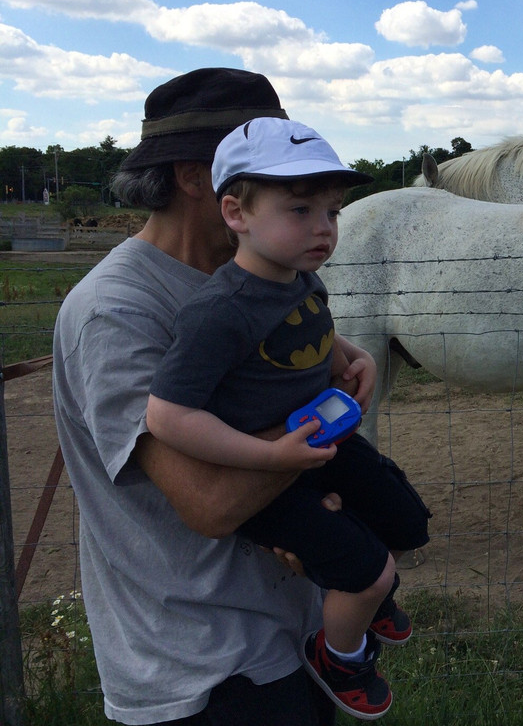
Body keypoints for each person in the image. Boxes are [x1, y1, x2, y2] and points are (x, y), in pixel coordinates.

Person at [52, 68, 401, 726]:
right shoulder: (117, 312)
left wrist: (325, 355)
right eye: (282, 184)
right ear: (197, 178)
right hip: (203, 671)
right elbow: (210, 502)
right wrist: (320, 418)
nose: (304, 205)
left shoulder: (247, 280)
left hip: (280, 635)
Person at [145, 117, 430, 720]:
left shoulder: (301, 278)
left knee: (407, 521)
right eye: (300, 210)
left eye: (332, 212)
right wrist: (272, 458)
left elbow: (308, 331)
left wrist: (346, 357)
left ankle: (366, 605)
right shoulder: (219, 310)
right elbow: (168, 416)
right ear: (236, 212)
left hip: (315, 442)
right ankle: (340, 657)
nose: (323, 228)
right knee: (369, 571)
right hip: (265, 473)